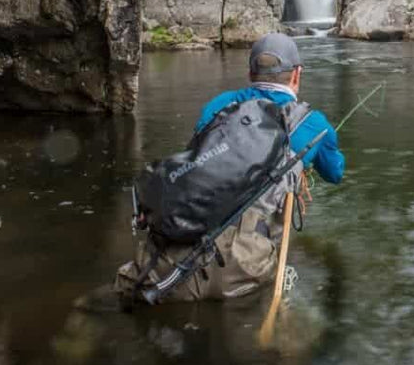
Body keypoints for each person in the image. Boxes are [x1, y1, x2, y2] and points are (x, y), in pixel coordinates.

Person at [114, 33, 345, 302]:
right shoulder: (314, 123)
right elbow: (335, 173)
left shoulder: (219, 105)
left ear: (250, 73)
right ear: (297, 75)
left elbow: (199, 157)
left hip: (178, 248)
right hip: (246, 264)